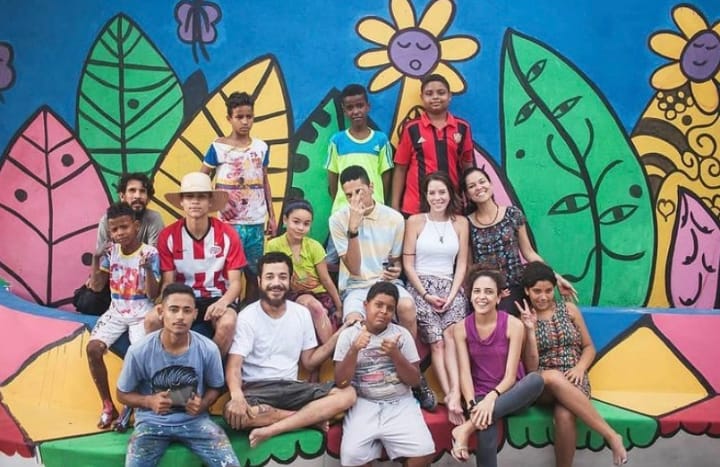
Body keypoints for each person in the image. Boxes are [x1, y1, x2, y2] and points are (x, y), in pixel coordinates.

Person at [329, 165, 436, 410]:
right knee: (354, 322)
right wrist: (353, 228)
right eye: (349, 195)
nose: (355, 200)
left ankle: (415, 377)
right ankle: (355, 382)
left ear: (371, 187)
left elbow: (394, 261)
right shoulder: (338, 220)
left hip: (387, 284)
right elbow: (354, 268)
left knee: (407, 307)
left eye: (359, 191)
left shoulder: (394, 218)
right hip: (356, 286)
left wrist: (395, 270)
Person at [223, 252, 356, 448]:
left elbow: (309, 362)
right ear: (259, 281)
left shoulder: (301, 313)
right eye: (270, 277)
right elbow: (234, 366)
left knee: (348, 394)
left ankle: (274, 426)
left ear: (290, 280)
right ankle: (308, 419)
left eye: (282, 277)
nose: (276, 283)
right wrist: (236, 396)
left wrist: (339, 335)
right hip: (258, 390)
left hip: (292, 388)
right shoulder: (247, 317)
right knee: (234, 415)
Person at [517, 262, 628, 466]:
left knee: (565, 415)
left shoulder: (569, 309)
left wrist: (580, 368)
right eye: (537, 291)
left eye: (548, 290)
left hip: (575, 379)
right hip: (542, 384)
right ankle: (611, 436)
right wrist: (530, 330)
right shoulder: (522, 319)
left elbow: (589, 347)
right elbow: (531, 368)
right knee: (553, 377)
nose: (543, 297)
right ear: (527, 290)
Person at [117, 283, 240, 467]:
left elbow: (215, 387)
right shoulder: (139, 351)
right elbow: (122, 394)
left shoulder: (208, 349)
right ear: (161, 312)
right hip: (151, 424)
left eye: (187, 310)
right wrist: (149, 401)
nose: (180, 317)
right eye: (173, 309)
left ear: (195, 314)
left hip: (196, 421)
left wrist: (203, 404)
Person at [334, 282, 435, 467]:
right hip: (363, 403)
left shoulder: (401, 335)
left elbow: (414, 380)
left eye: (389, 308)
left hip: (400, 402)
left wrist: (395, 354)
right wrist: (354, 350)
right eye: (378, 305)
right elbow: (341, 382)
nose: (383, 311)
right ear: (366, 305)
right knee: (351, 457)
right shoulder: (348, 336)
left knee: (425, 452)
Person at [450, 268, 544, 466]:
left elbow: (510, 376)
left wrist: (491, 399)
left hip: (511, 394)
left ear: (499, 297)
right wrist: (473, 405)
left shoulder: (513, 325)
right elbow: (465, 373)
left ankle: (465, 429)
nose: (482, 297)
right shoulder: (460, 329)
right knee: (486, 431)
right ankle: (473, 423)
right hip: (479, 395)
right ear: (470, 295)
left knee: (536, 380)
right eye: (477, 291)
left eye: (489, 292)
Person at [150, 172, 245, 356]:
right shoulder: (168, 236)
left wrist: (223, 302)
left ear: (210, 202)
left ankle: (209, 368)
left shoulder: (228, 234)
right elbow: (168, 282)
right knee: (151, 320)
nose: (195, 202)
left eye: (201, 197)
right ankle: (165, 368)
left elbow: (236, 283)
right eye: (189, 196)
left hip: (217, 297)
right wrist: (166, 304)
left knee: (227, 323)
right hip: (182, 297)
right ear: (182, 202)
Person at [462, 167, 577, 314]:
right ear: (467, 194)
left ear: (491, 184)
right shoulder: (466, 223)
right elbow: (469, 266)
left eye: (482, 182)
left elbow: (529, 253)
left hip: (515, 286)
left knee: (510, 312)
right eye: (472, 186)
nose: (479, 187)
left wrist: (556, 277)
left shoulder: (512, 214)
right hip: (487, 290)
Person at [403, 171, 469, 425]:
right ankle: (451, 394)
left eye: (442, 192)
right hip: (422, 286)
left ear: (450, 194)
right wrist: (426, 294)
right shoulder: (415, 221)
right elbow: (408, 264)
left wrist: (452, 295)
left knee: (452, 336)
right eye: (432, 192)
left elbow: (461, 263)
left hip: (451, 287)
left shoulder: (460, 223)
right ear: (425, 195)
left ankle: (456, 391)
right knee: (437, 342)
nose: (437, 197)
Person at [86, 202, 160, 429]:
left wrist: (147, 269)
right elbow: (97, 287)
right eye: (114, 229)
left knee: (138, 357)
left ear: (136, 226)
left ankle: (132, 405)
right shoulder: (111, 252)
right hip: (116, 312)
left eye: (124, 227)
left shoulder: (150, 253)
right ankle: (108, 405)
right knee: (93, 349)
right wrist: (96, 259)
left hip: (141, 313)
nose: (120, 233)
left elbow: (154, 294)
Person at [201, 91, 277, 303]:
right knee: (228, 271)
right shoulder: (218, 147)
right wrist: (215, 205)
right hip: (229, 223)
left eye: (249, 117)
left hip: (255, 222)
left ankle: (248, 310)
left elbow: (264, 181)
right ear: (229, 118)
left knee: (254, 272)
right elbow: (201, 179)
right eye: (239, 117)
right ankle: (228, 310)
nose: (245, 122)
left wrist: (272, 216)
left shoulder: (261, 147)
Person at [75, 173, 164, 315]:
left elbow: (154, 257)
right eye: (132, 191)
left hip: (142, 278)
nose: (137, 196)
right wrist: (95, 276)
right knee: (87, 300)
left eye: (142, 191)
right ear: (122, 196)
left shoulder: (154, 219)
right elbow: (104, 256)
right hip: (116, 277)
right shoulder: (107, 220)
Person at [391, 74, 474, 217]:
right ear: (422, 97)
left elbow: (467, 166)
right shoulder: (411, 128)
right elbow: (400, 169)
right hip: (416, 208)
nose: (435, 97)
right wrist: (395, 206)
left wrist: (471, 201)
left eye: (441, 93)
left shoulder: (462, 127)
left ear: (450, 96)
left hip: (452, 206)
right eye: (429, 93)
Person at [265, 199, 343, 344]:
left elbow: (326, 280)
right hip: (291, 294)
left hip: (319, 294)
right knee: (315, 308)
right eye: (296, 222)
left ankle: (326, 353)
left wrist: (339, 307)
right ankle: (329, 350)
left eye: (306, 224)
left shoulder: (314, 246)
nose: (301, 228)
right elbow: (270, 277)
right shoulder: (274, 245)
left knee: (321, 311)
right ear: (285, 220)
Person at [326, 83, 394, 212]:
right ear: (344, 111)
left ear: (368, 107)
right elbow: (332, 175)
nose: (356, 111)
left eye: (360, 106)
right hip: (344, 208)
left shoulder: (381, 140)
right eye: (350, 108)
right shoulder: (337, 141)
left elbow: (386, 175)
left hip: (373, 207)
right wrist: (340, 201)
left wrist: (379, 199)